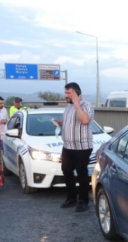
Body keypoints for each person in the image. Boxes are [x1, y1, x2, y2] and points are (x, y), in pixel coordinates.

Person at [53, 82, 94, 212]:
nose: (66, 95)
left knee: (82, 174)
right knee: (66, 171)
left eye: (69, 93)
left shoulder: (86, 105)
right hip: (67, 146)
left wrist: (76, 103)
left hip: (81, 147)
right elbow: (71, 122)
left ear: (76, 93)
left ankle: (83, 201)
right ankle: (71, 198)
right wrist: (61, 123)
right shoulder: (69, 107)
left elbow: (85, 120)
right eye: (65, 93)